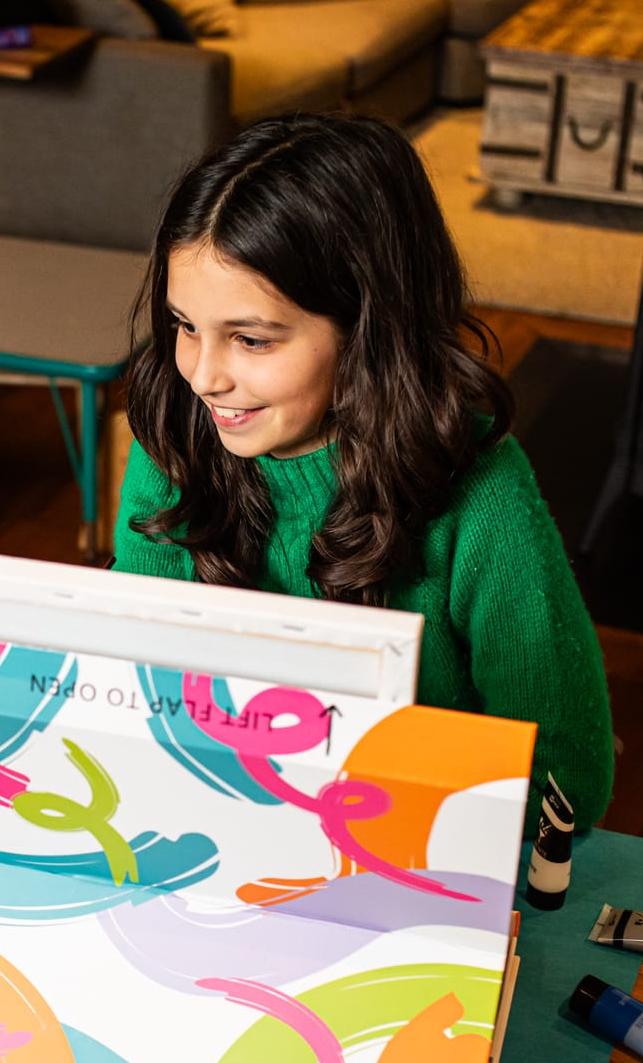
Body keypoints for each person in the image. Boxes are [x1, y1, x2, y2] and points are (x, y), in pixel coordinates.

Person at [113, 112, 615, 828]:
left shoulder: (483, 493)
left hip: (414, 847)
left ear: (369, 329)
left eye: (251, 339)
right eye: (185, 326)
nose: (202, 376)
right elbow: (133, 689)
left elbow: (567, 778)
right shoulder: (175, 439)